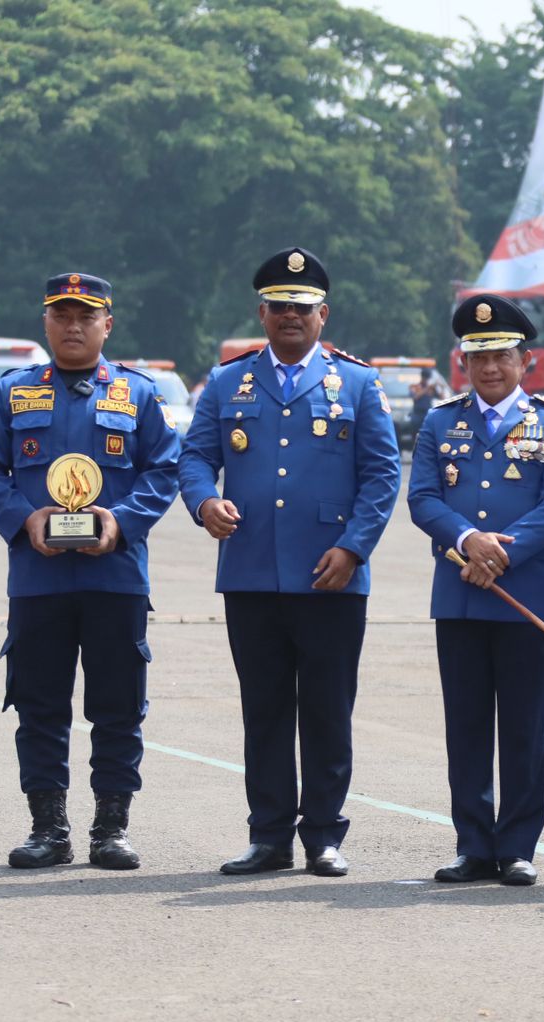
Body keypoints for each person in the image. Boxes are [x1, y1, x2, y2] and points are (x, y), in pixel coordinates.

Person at [179, 247, 400, 879]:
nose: (290, 318)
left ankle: (324, 835)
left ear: (322, 314)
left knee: (328, 708)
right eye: (279, 307)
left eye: (302, 308)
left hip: (331, 572)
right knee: (265, 706)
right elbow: (194, 457)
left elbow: (382, 475)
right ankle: (269, 834)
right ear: (262, 313)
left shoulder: (357, 383)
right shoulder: (228, 382)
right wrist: (204, 502)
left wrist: (354, 547)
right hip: (250, 570)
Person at [0, 272, 181, 870]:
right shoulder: (14, 393)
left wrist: (121, 523)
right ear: (46, 323)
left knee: (117, 707)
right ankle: (48, 829)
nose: (74, 326)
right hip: (40, 575)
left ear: (107, 324)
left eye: (86, 316)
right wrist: (24, 520)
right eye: (62, 315)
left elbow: (164, 471)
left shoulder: (137, 395)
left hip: (115, 575)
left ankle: (111, 827)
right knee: (39, 705)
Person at [406, 295, 544, 887]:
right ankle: (473, 843)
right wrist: (468, 538)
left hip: (524, 595)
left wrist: (501, 551)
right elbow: (423, 499)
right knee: (467, 724)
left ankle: (519, 845)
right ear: (462, 361)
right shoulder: (439, 420)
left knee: (525, 727)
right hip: (459, 594)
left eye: (501, 355)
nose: (490, 368)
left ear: (524, 360)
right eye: (478, 357)